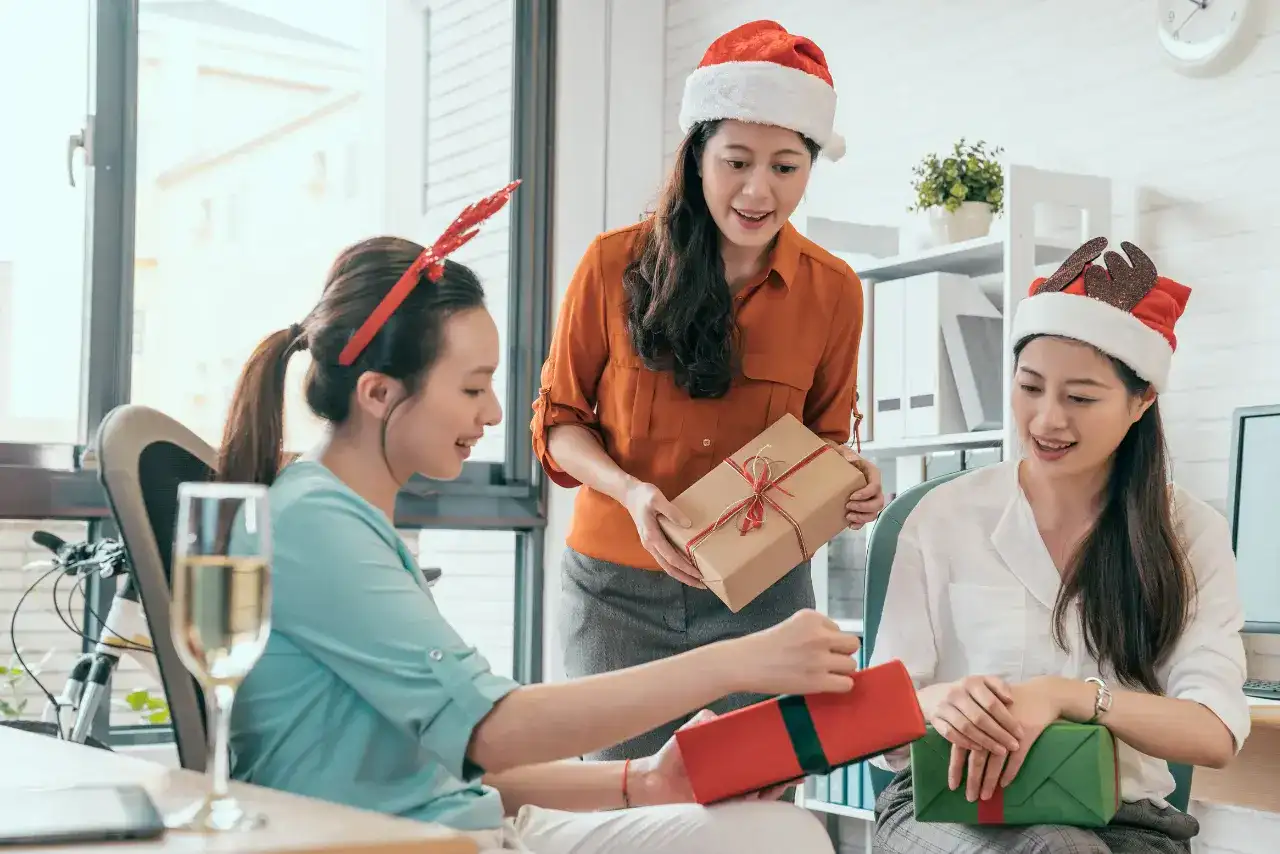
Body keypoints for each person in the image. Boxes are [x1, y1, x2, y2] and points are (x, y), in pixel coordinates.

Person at [220, 182, 855, 854]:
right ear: (379, 394)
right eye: (471, 387)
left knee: (780, 828)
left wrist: (648, 779)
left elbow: (464, 773)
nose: (493, 413)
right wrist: (740, 662)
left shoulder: (342, 519)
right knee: (779, 841)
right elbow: (493, 729)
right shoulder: (317, 527)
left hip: (464, 824)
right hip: (404, 843)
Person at [531, 19, 885, 761]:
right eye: (736, 161)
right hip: (614, 595)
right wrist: (630, 493)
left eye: (786, 167)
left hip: (763, 602)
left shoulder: (835, 291)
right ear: (697, 157)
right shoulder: (609, 265)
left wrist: (852, 482)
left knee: (753, 805)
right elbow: (561, 420)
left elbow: (825, 439)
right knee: (621, 815)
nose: (759, 191)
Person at [867, 237, 1252, 854]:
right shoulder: (942, 517)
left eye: (1080, 398)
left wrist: (1070, 699)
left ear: (1141, 400)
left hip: (1124, 821)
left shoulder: (1190, 534)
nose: (1047, 420)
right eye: (1030, 387)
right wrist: (943, 701)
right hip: (946, 802)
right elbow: (873, 723)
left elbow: (1213, 732)